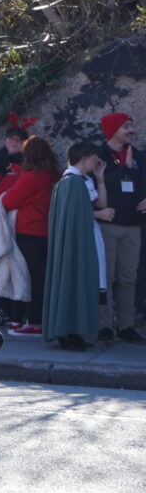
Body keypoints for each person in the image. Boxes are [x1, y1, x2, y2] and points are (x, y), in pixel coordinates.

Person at [44, 142, 108, 351]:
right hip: (75, 243)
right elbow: (78, 216)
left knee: (72, 281)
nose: (96, 161)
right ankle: (68, 332)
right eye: (93, 157)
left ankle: (73, 332)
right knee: (72, 280)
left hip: (76, 240)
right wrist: (98, 215)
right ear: (85, 157)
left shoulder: (71, 182)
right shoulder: (73, 183)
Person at [0, 137, 57, 334]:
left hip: (28, 231)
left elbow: (10, 201)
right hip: (47, 230)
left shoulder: (33, 176)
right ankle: (36, 320)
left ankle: (33, 322)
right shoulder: (54, 174)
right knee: (40, 277)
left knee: (28, 278)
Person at [97, 113, 141, 341]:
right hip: (108, 225)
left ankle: (126, 326)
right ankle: (104, 325)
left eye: (130, 126)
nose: (131, 131)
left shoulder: (138, 155)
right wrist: (125, 169)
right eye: (126, 126)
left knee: (128, 277)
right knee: (107, 277)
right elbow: (97, 185)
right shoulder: (99, 155)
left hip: (133, 225)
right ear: (113, 130)